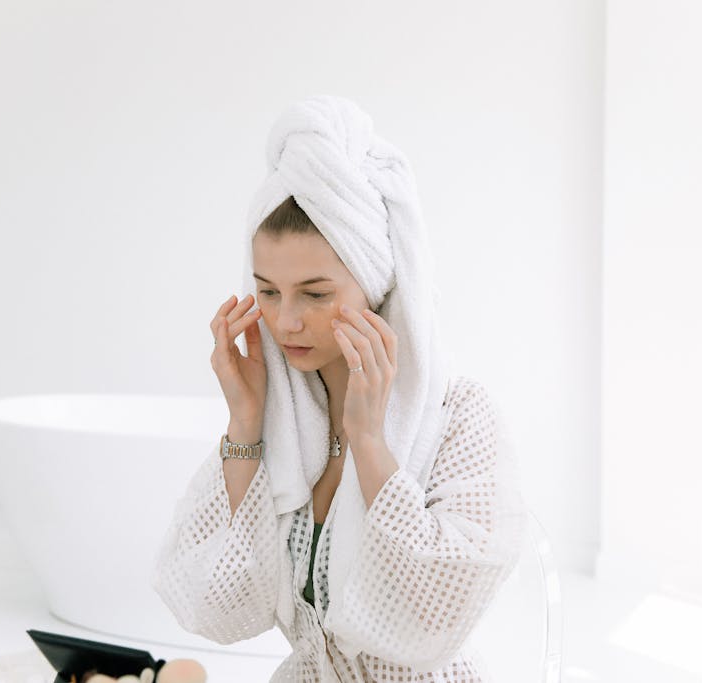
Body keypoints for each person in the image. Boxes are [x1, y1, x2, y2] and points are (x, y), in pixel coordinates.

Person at [151, 96, 525, 682]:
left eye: (316, 293)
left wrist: (370, 442)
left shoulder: (458, 414)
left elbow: (438, 613)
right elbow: (212, 603)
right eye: (268, 292)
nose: (286, 321)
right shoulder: (282, 416)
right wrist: (245, 424)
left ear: (373, 285)